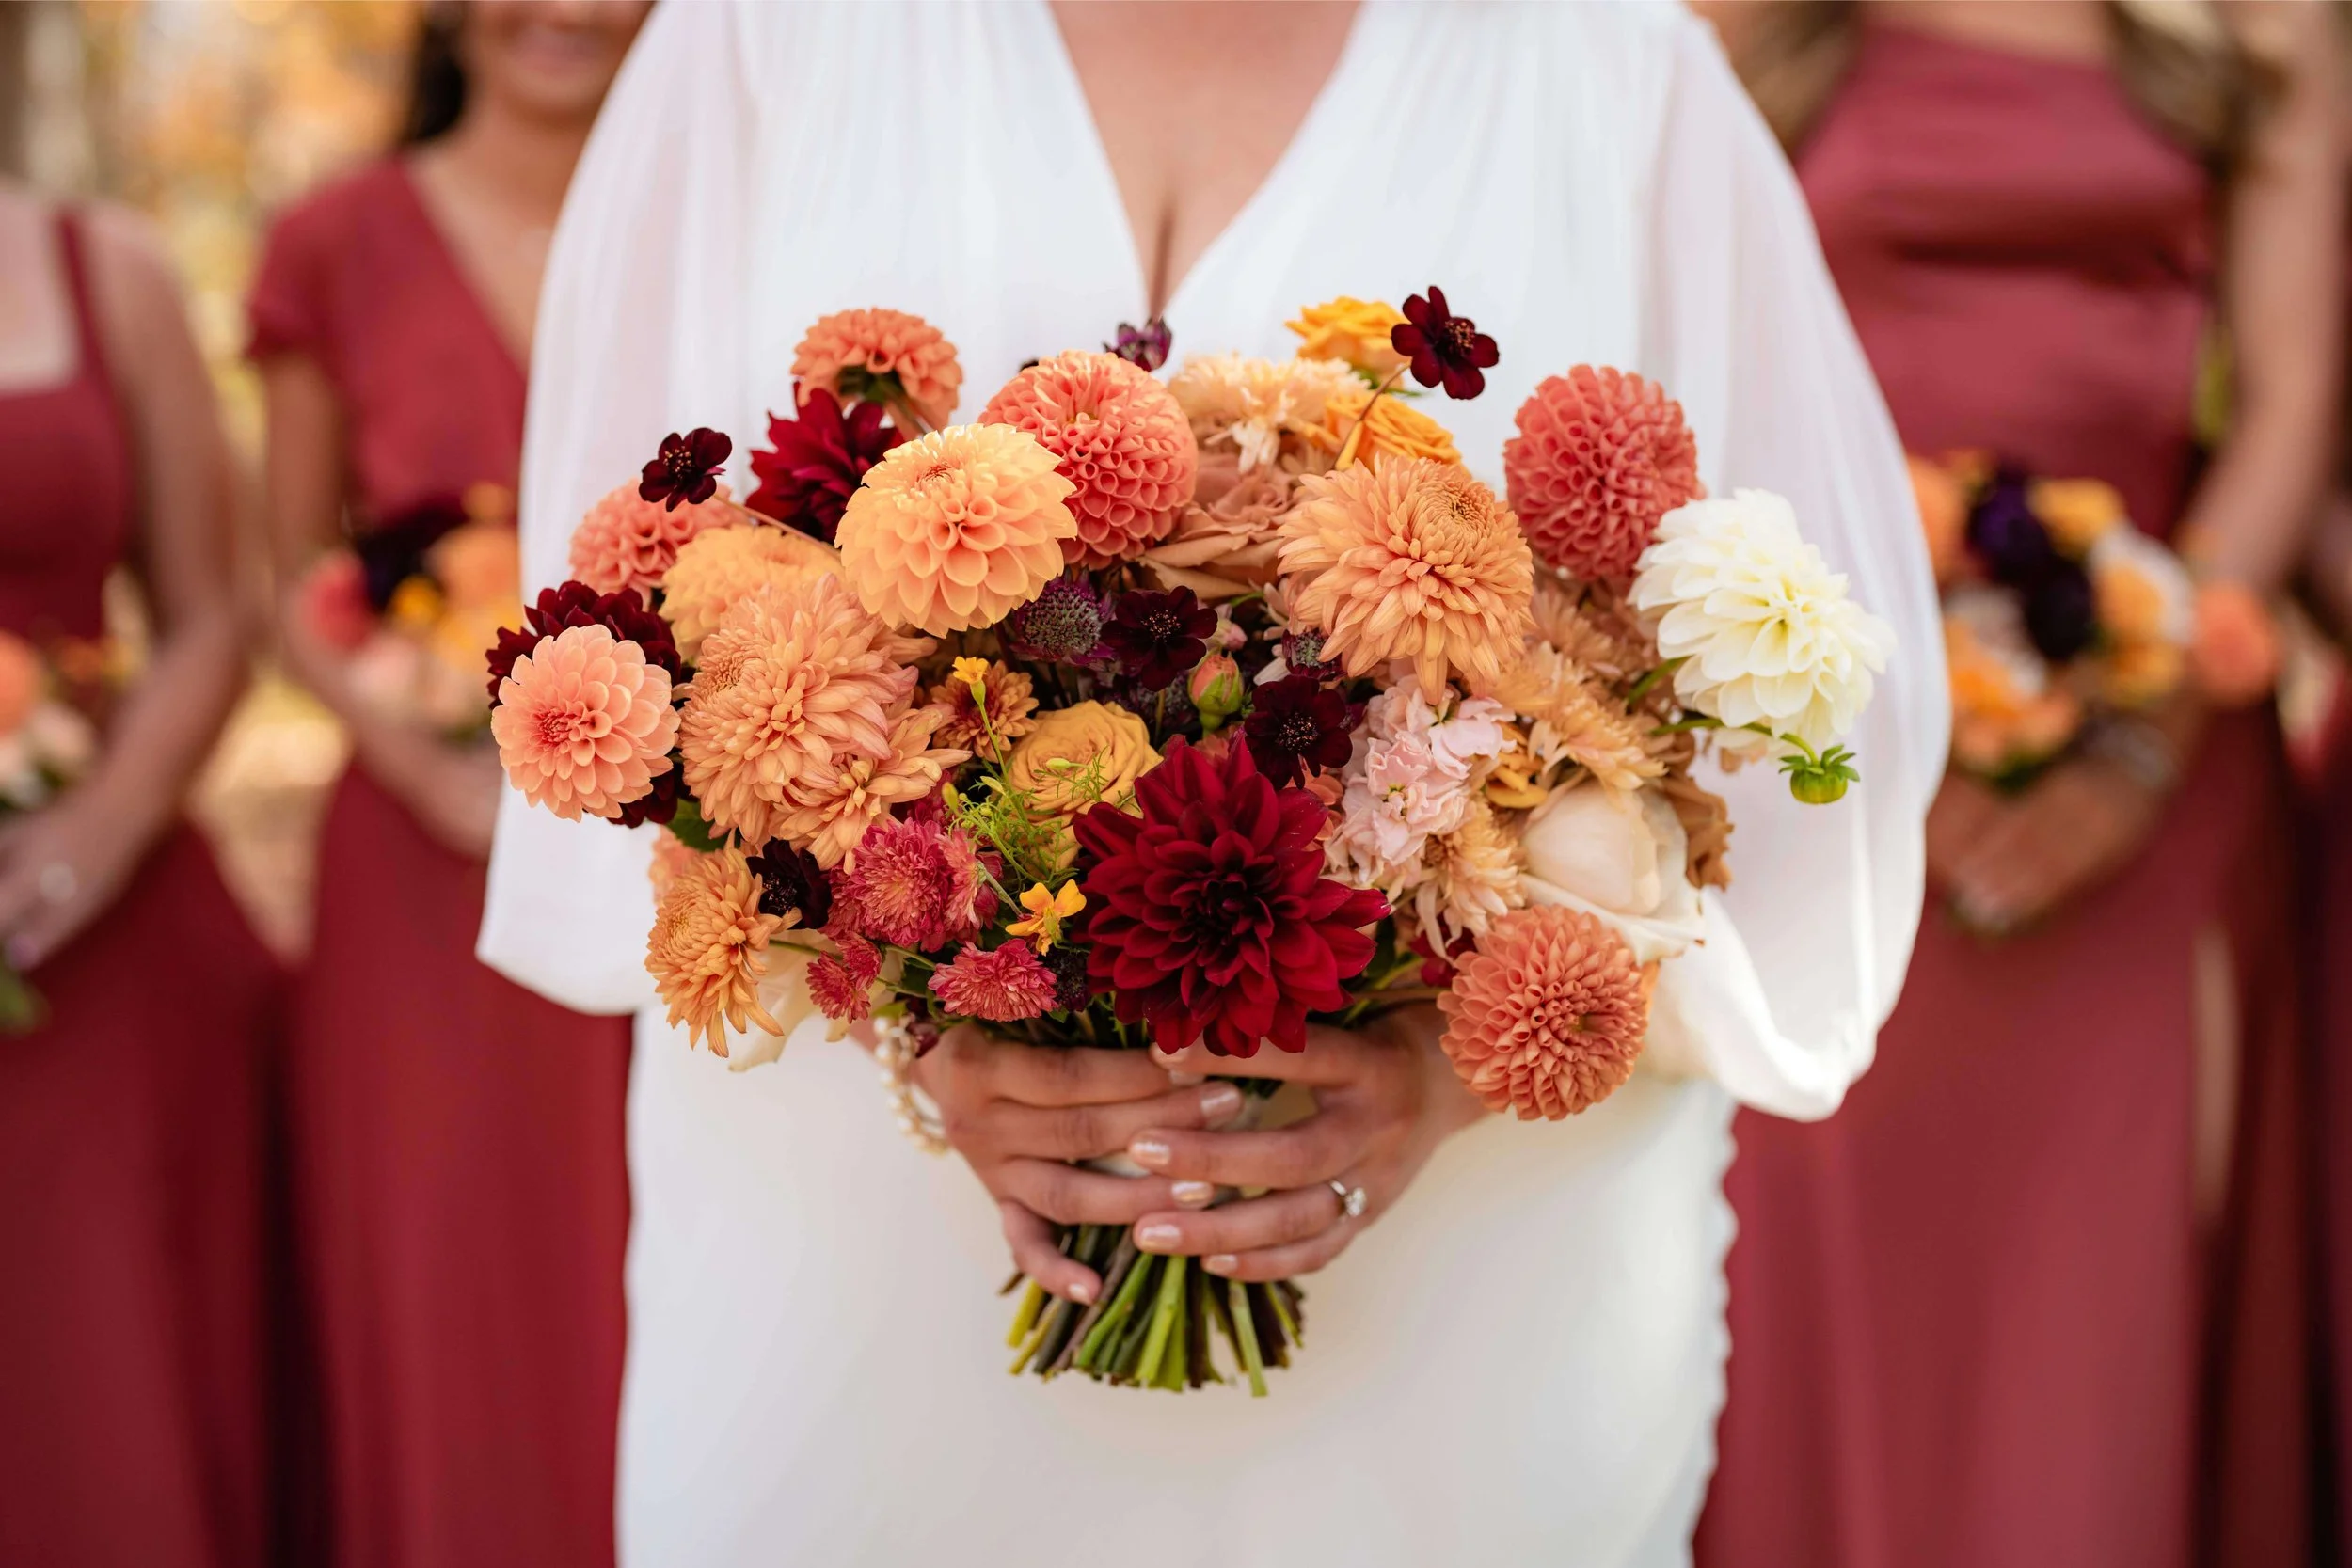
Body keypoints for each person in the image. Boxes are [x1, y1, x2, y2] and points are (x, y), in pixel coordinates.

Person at [480, 3, 1946, 1562]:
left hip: (1461, 1308)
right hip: (851, 1270)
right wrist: (909, 1005)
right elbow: (628, 615)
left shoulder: (1610, 66)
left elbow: (1808, 681)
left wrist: (1455, 1064)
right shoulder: (768, 38)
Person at [1691, 5, 2344, 1566]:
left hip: (2156, 747)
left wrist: (2136, 740)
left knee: (2095, 1343)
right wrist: (1832, 741)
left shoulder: (2261, 18)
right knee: (1829, 1306)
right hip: (1823, 752)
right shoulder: (1742, 24)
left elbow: (2292, 408)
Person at [250, 4, 649, 1563]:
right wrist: (427, 771)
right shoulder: (336, 238)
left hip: (690, 855)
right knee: (452, 1282)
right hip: (429, 864)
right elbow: (286, 572)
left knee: (660, 1263)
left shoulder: (730, 204)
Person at [0, 183, 282, 1560]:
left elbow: (214, 616)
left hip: (97, 945)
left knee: (116, 1423)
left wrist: (90, 834)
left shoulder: (96, 263)